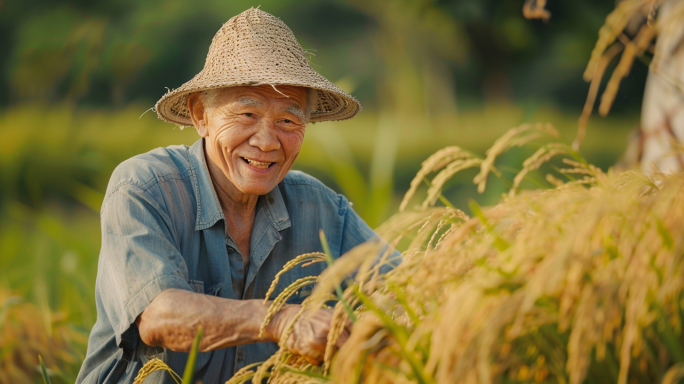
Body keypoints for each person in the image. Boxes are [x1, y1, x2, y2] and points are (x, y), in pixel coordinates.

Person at [76, 8, 388, 384]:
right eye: (246, 114)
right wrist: (281, 319)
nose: (267, 141)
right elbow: (159, 316)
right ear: (200, 116)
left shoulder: (321, 209)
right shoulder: (145, 188)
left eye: (288, 121)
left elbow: (404, 288)